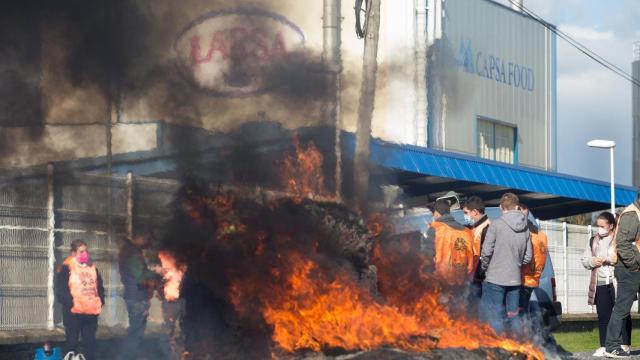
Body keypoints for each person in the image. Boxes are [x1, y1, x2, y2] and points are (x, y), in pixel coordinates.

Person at [479, 193, 531, 335]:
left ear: (501, 207)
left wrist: (485, 268)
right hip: (515, 279)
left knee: (494, 315)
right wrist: (515, 264)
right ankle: (517, 347)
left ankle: (498, 349)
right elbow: (528, 257)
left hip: (495, 277)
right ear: (516, 206)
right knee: (514, 316)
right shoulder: (526, 227)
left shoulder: (496, 224)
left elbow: (486, 251)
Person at [583, 212, 631, 357]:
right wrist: (592, 261)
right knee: (603, 316)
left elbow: (626, 258)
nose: (599, 229)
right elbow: (584, 259)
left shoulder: (619, 239)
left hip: (618, 282)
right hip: (601, 283)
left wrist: (609, 259)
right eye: (597, 226)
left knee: (622, 314)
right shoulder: (593, 240)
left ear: (610, 226)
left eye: (602, 226)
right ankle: (604, 345)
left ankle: (624, 344)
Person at [54, 240, 104, 360]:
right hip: (73, 312)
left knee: (90, 343)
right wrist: (70, 303)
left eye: (86, 251)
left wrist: (100, 301)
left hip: (91, 312)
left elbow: (99, 286)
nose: (85, 254)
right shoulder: (67, 268)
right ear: (73, 253)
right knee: (72, 341)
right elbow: (60, 289)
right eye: (81, 251)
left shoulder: (92, 267)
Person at [604, 195, 640, 358]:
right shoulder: (632, 214)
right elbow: (623, 243)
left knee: (622, 307)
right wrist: (634, 263)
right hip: (629, 268)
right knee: (622, 308)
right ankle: (611, 346)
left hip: (634, 267)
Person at [118, 229, 161, 360]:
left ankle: (128, 355)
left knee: (135, 329)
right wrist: (156, 272)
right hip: (136, 296)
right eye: (148, 240)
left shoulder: (127, 250)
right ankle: (126, 357)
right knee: (136, 331)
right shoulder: (134, 252)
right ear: (142, 238)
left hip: (133, 294)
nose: (148, 243)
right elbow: (139, 275)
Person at [425, 198, 474, 286]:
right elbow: (471, 254)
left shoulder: (435, 229)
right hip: (462, 278)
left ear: (436, 213)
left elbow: (427, 255)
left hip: (442, 279)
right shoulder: (467, 231)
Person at [518, 204, 548, 338]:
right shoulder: (540, 234)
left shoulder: (525, 233)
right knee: (527, 312)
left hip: (523, 277)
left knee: (520, 314)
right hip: (534, 278)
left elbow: (524, 257)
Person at [462, 196, 491, 303]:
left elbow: (487, 255)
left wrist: (479, 276)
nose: (465, 216)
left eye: (466, 213)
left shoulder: (487, 228)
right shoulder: (475, 227)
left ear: (474, 212)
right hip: (473, 276)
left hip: (480, 279)